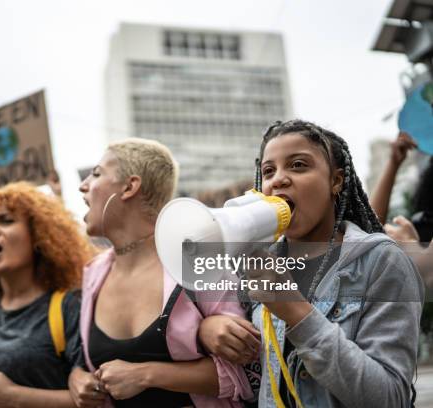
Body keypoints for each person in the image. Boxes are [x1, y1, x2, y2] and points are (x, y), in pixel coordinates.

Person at [199, 120, 423, 407]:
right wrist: (208, 331)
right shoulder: (256, 264)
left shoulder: (380, 261)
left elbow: (389, 397)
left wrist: (296, 311)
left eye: (298, 165)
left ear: (336, 181)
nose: (278, 179)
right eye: (268, 171)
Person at [70, 138, 256, 408]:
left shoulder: (196, 259)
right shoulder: (92, 274)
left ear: (129, 186)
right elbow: (83, 361)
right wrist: (77, 378)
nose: (83, 185)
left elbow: (248, 372)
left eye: (97, 174)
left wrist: (146, 375)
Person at [0, 181, 93, 408]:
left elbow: (94, 400)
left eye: (6, 221)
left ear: (39, 236)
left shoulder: (68, 306)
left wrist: (15, 396)